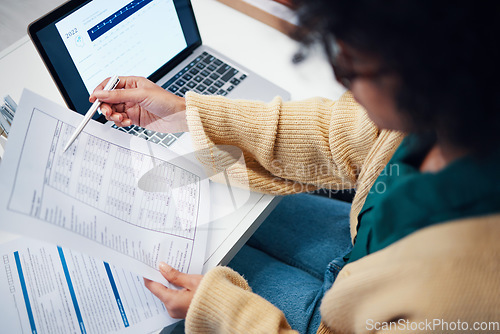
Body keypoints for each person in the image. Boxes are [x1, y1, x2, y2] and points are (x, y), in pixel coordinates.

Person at [90, 0, 500, 333]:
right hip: (361, 255)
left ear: (426, 74)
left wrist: (221, 311)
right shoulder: (458, 118)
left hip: (343, 322)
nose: (342, 83)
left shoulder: (464, 296)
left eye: (352, 64)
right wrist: (183, 112)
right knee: (219, 219)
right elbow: (337, 132)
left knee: (167, 307)